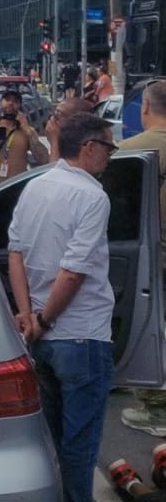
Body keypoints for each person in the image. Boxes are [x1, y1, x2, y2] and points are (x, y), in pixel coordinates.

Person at [7, 111, 117, 502]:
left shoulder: (34, 187)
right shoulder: (93, 196)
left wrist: (27, 316)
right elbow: (73, 273)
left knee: (52, 443)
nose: (111, 155)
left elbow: (15, 253)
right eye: (108, 147)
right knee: (80, 447)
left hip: (41, 339)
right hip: (82, 336)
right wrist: (43, 319)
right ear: (88, 147)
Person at [117, 80, 166, 435]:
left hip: (153, 259)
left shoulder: (129, 152)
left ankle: (158, 409)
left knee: (154, 328)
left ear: (145, 107)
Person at [31, 96, 97, 166]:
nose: (52, 119)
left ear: (76, 123)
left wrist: (54, 141)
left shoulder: (83, 150)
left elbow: (55, 171)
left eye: (58, 115)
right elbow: (45, 162)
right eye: (54, 114)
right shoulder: (65, 144)